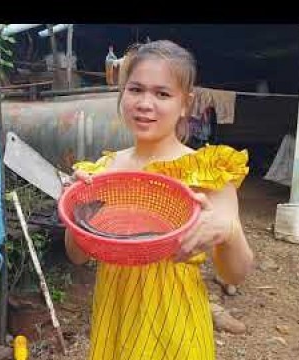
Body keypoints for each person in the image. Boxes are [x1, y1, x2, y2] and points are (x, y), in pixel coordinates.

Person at [62, 40, 254, 359]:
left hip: (175, 322)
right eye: (135, 90)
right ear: (122, 94)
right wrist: (77, 209)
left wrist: (229, 232)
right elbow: (78, 257)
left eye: (162, 94)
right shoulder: (104, 172)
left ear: (185, 104)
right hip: (115, 316)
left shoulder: (207, 171)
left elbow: (235, 274)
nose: (145, 103)